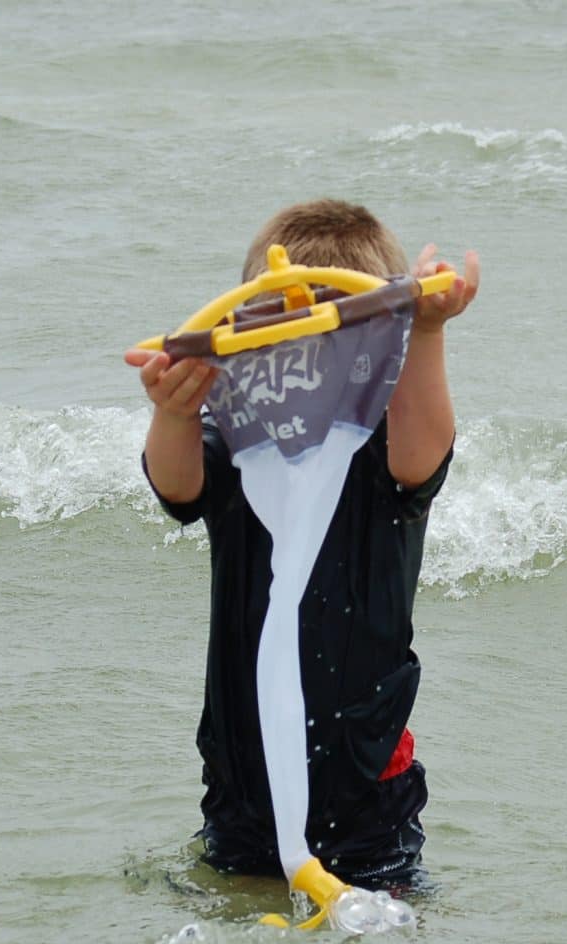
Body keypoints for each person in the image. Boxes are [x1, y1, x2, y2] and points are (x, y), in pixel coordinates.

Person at [125, 199, 479, 887]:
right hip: (241, 773)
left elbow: (423, 456)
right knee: (230, 928)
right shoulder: (241, 445)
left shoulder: (383, 442)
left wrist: (428, 332)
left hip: (366, 780)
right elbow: (177, 491)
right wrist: (173, 409)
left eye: (338, 336)